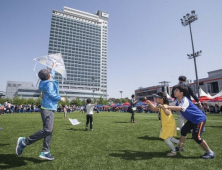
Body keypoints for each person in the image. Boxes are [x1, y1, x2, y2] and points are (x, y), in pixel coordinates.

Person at [16, 63, 66, 161]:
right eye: (49, 73)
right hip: (48, 108)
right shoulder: (49, 83)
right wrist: (61, 98)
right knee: (48, 130)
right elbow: (52, 94)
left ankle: (45, 151)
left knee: (49, 130)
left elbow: (51, 75)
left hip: (46, 108)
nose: (50, 74)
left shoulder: (45, 81)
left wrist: (53, 68)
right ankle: (24, 142)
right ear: (48, 76)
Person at [164, 84, 215, 159]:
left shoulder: (185, 100)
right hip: (192, 120)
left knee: (196, 137)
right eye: (174, 90)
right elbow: (169, 104)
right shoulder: (177, 101)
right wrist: (161, 104)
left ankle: (210, 153)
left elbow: (180, 108)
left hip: (199, 119)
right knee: (183, 130)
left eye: (177, 90)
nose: (174, 91)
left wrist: (167, 107)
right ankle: (180, 146)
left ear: (182, 93)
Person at [145, 92, 179, 156]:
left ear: (161, 99)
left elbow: (167, 113)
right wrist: (149, 102)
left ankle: (173, 151)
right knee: (170, 138)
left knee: (167, 139)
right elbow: (154, 109)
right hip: (167, 125)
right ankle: (181, 144)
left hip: (169, 125)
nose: (156, 100)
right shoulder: (160, 105)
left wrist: (162, 107)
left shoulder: (165, 105)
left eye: (157, 98)